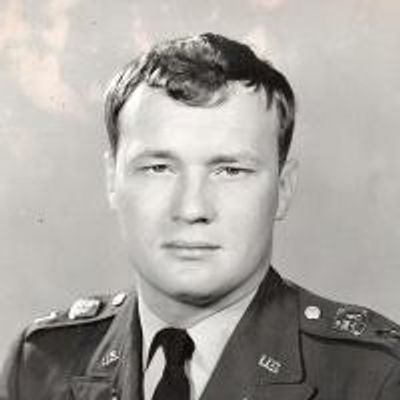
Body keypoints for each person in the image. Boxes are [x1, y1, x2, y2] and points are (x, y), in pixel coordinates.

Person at [1, 32, 400, 400]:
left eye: (230, 170)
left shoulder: (377, 378)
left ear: (283, 189)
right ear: (112, 180)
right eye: (159, 168)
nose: (192, 209)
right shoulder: (39, 365)